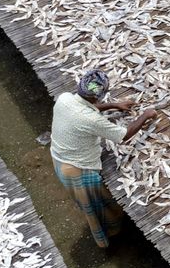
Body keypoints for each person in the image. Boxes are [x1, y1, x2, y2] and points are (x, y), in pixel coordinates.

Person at [50, 70, 158, 248]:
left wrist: (114, 105)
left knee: (88, 203)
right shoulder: (92, 120)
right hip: (78, 170)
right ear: (98, 96)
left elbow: (84, 108)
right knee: (98, 207)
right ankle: (111, 235)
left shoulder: (64, 98)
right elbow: (124, 135)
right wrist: (145, 115)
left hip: (58, 158)